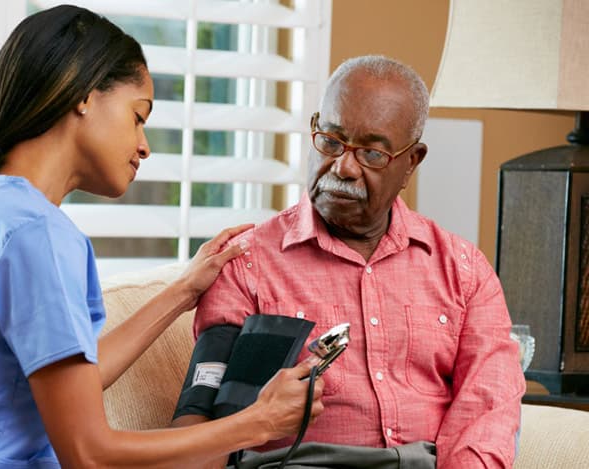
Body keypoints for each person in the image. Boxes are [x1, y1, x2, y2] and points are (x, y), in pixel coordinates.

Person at [0, 5, 325, 468]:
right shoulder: (33, 234)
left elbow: (70, 384)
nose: (144, 145)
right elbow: (87, 453)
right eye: (138, 115)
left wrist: (184, 290)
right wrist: (257, 422)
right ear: (84, 96)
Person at [171, 55, 525, 468]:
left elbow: (488, 407)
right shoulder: (244, 263)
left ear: (412, 161)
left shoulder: (464, 271)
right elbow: (201, 420)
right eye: (331, 141)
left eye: (372, 154)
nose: (343, 167)